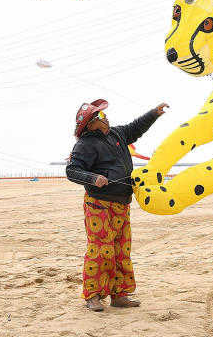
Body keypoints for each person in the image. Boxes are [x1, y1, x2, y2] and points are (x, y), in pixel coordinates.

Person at [66, 99, 168, 312]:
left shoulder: (117, 134)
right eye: (101, 116)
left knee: (122, 250)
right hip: (99, 206)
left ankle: (119, 295)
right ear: (91, 124)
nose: (106, 117)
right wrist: (93, 178)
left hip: (122, 205)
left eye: (104, 114)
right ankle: (93, 296)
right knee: (100, 251)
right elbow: (72, 170)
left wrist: (153, 113)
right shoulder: (85, 144)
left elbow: (135, 127)